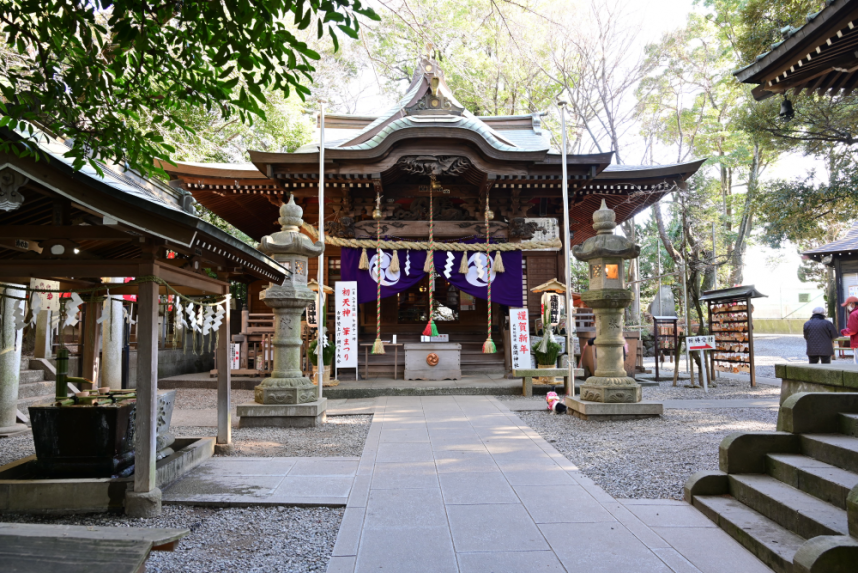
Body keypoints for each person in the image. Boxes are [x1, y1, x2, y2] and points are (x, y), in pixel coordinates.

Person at [841, 296, 858, 364]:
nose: (847, 307)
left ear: (853, 304)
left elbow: (853, 330)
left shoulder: (854, 314)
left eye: (847, 305)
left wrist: (843, 331)